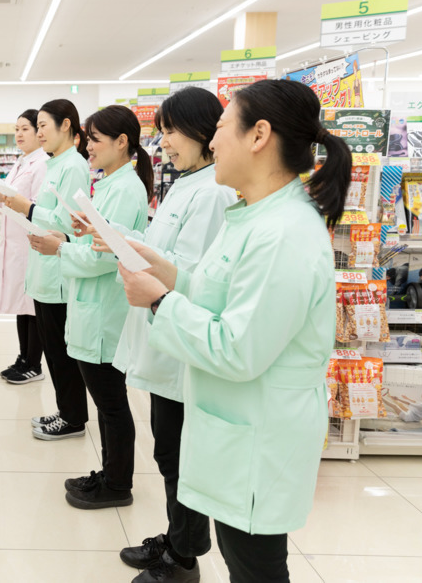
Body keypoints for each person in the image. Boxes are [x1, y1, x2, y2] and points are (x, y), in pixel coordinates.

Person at [117, 79, 351, 583]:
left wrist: (159, 302)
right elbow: (219, 291)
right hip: (237, 432)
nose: (214, 141)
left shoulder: (283, 232)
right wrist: (169, 274)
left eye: (221, 128)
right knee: (242, 558)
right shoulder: (252, 214)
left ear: (258, 135)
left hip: (260, 442)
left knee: (257, 569)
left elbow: (238, 348)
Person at [87, 88, 236, 581]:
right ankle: (177, 539)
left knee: (178, 454)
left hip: (182, 338)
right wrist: (116, 238)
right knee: (169, 450)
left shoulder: (213, 190)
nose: (164, 142)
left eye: (170, 131)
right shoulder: (189, 182)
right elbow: (163, 249)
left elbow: (191, 272)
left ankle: (183, 556)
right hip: (166, 331)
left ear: (202, 131)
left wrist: (133, 254)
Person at [30, 105, 154, 508]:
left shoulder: (125, 188)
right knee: (105, 402)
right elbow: (101, 242)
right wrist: (79, 235)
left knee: (112, 403)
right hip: (94, 307)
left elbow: (103, 258)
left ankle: (118, 485)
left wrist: (61, 246)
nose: (89, 149)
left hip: (104, 311)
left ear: (122, 142)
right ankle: (110, 471)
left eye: (95, 140)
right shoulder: (113, 183)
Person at [4, 99, 91, 440]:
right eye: (34, 126)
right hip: (43, 270)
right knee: (54, 353)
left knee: (62, 353)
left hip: (57, 275)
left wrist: (28, 208)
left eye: (42, 125)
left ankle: (73, 418)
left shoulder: (73, 167)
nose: (38, 132)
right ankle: (66, 411)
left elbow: (64, 223)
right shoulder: (56, 164)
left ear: (66, 125)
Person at [0, 110, 48, 384]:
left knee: (32, 306)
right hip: (16, 245)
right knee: (21, 304)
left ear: (39, 133)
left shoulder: (42, 164)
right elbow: (8, 198)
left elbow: (38, 207)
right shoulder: (21, 163)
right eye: (16, 129)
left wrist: (4, 198)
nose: (19, 134)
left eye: (25, 129)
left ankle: (34, 364)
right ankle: (23, 358)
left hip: (31, 244)